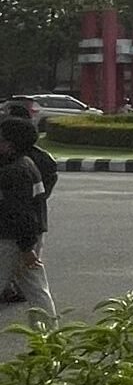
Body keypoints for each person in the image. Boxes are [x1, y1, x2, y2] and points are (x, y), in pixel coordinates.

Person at [0, 117, 56, 326]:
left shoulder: (14, 173)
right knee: (36, 289)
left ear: (10, 145)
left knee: (34, 287)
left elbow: (21, 213)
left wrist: (26, 248)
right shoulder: (26, 163)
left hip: (12, 240)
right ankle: (48, 337)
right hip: (26, 237)